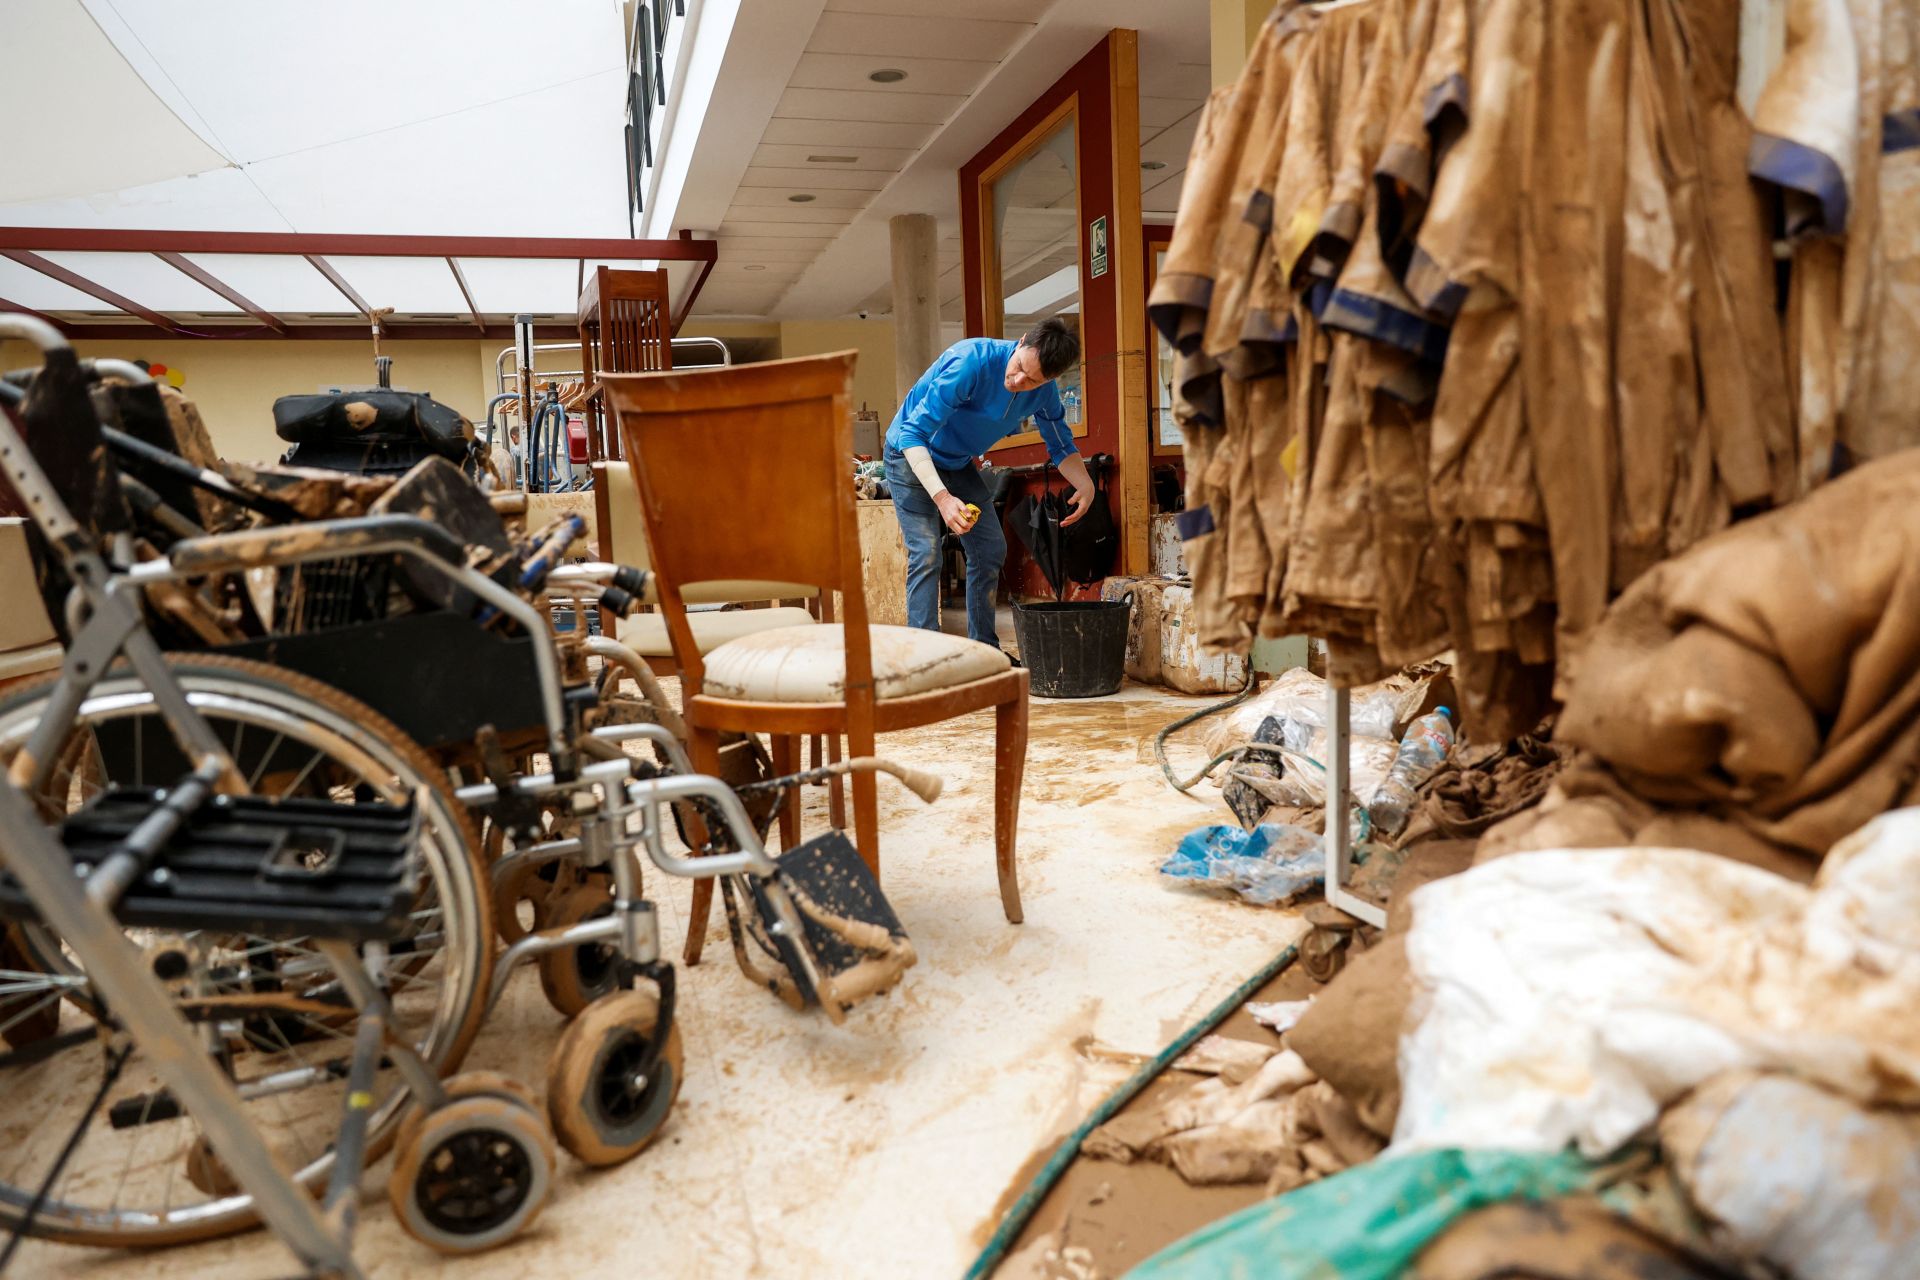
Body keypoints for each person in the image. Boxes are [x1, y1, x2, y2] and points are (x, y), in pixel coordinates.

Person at [884, 317, 1095, 650]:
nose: (1018, 380)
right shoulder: (972, 362)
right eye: (1020, 367)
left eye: (1033, 380)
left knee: (990, 548)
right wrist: (942, 498)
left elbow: (1061, 444)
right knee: (926, 552)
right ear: (1022, 341)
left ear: (1050, 380)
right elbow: (912, 433)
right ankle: (923, 655)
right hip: (909, 455)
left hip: (956, 461)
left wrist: (1086, 484)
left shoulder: (1043, 392)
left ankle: (983, 649)